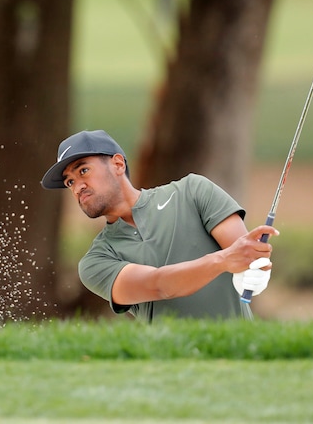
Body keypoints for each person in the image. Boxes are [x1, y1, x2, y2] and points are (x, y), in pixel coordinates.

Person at [41, 129, 277, 321]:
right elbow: (158, 286)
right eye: (70, 181)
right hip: (172, 370)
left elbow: (244, 254)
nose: (77, 186)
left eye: (83, 171)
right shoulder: (96, 261)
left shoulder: (193, 191)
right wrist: (223, 261)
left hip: (242, 359)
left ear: (118, 164)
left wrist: (253, 269)